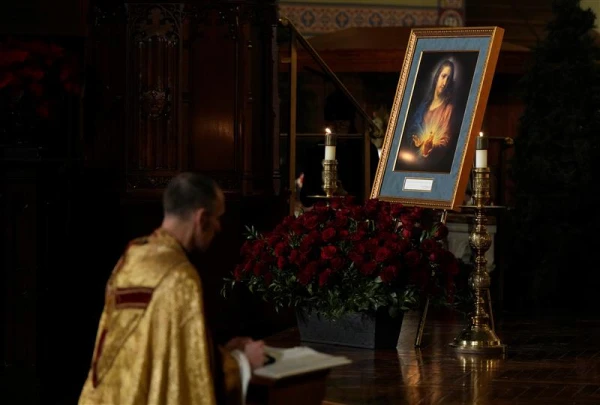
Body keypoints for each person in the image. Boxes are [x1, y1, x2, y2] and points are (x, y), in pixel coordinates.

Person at [79, 173, 265, 405]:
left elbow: (154, 346)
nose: (219, 227)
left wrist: (219, 353)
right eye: (218, 218)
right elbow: (189, 381)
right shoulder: (180, 278)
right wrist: (242, 363)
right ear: (202, 218)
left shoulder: (132, 257)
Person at [395, 59, 456, 171]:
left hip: (434, 167)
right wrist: (417, 142)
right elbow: (412, 130)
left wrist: (431, 147)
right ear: (437, 77)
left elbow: (446, 140)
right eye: (443, 76)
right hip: (414, 164)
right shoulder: (424, 105)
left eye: (449, 78)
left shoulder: (448, 108)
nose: (445, 83)